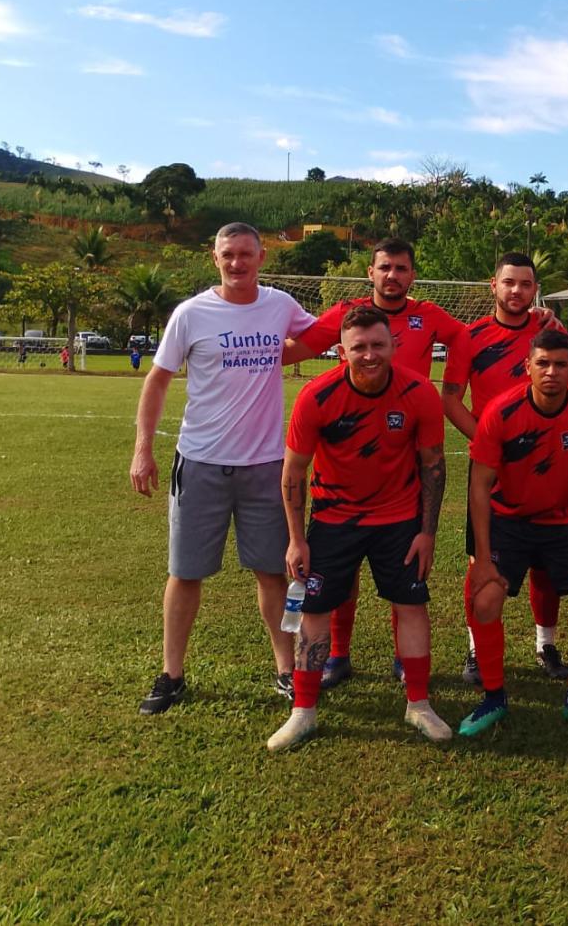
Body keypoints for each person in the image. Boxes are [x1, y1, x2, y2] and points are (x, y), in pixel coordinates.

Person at [130, 223, 318, 715]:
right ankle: (172, 674)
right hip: (201, 463)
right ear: (214, 257)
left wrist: (289, 353)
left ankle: (286, 671)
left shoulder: (280, 306)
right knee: (185, 573)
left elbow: (320, 336)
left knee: (272, 575)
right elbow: (157, 380)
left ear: (262, 256)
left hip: (265, 467)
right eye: (228, 255)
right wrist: (142, 448)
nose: (237, 263)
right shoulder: (191, 313)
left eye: (246, 255)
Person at [284, 238, 470, 688]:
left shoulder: (429, 316)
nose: (393, 275)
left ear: (412, 275)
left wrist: (451, 391)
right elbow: (302, 348)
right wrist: (240, 354)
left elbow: (465, 336)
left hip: (405, 447)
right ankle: (339, 655)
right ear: (371, 273)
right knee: (339, 570)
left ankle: (405, 661)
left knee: (398, 565)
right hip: (349, 453)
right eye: (385, 267)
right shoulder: (347, 314)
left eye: (402, 268)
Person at [267, 306, 451, 751]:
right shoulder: (317, 396)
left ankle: (419, 704)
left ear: (392, 345)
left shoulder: (419, 391)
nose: (370, 355)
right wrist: (296, 538)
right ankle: (304, 712)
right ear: (340, 350)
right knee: (315, 612)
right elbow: (293, 473)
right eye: (359, 348)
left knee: (411, 605)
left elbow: (433, 466)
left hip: (399, 521)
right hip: (334, 521)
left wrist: (427, 532)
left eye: (378, 345)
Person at [461, 329, 568, 738]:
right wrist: (481, 557)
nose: (551, 372)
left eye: (561, 364)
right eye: (543, 363)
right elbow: (479, 486)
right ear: (527, 366)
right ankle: (493, 697)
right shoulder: (501, 411)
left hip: (567, 523)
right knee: (485, 598)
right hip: (509, 522)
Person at [441, 253, 567, 686]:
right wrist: (488, 443)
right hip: (492, 470)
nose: (517, 291)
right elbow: (451, 399)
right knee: (482, 561)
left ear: (535, 290)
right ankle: (477, 649)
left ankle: (545, 643)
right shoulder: (469, 336)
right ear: (492, 285)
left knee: (547, 563)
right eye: (509, 282)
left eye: (526, 284)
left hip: (547, 464)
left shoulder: (551, 331)